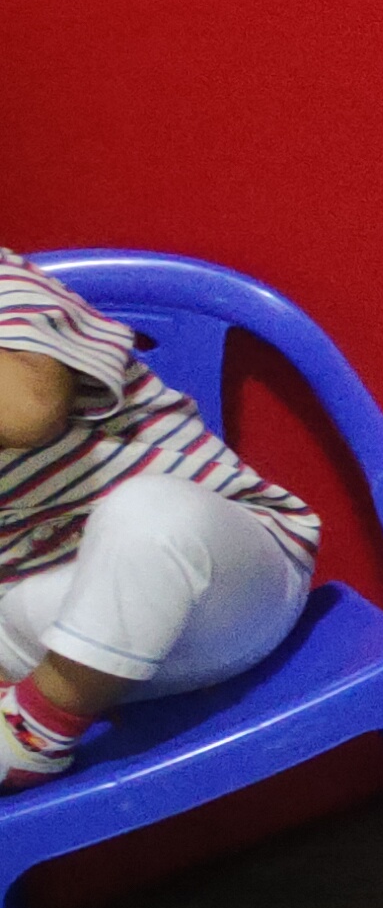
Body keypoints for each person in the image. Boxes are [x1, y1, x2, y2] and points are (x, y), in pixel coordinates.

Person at [0, 251, 323, 788]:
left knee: (148, 514)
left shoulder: (10, 288)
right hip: (63, 627)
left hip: (222, 592)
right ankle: (29, 709)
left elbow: (29, 412)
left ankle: (35, 731)